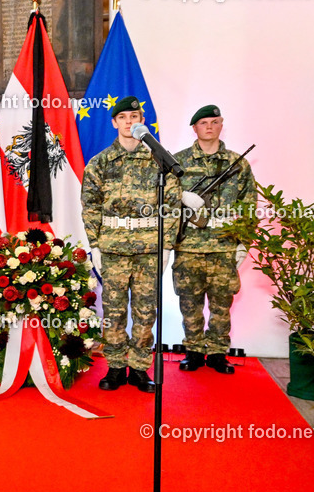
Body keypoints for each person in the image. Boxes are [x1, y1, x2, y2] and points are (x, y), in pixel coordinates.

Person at [81, 96, 183, 393]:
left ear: (142, 121)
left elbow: (172, 203)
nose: (129, 122)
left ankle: (139, 367)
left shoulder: (159, 160)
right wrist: (96, 245)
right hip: (112, 249)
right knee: (113, 309)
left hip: (148, 248)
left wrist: (166, 246)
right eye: (123, 117)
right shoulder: (100, 162)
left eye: (134, 116)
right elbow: (89, 205)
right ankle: (114, 367)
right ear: (114, 122)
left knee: (145, 310)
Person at [173, 105, 257, 375]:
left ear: (222, 125)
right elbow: (162, 200)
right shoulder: (177, 162)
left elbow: (249, 204)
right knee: (190, 303)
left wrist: (244, 241)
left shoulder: (237, 163)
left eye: (215, 121)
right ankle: (194, 351)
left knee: (222, 304)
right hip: (188, 246)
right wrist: (180, 198)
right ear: (194, 128)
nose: (209, 126)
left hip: (224, 245)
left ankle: (218, 352)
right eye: (203, 123)